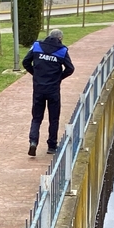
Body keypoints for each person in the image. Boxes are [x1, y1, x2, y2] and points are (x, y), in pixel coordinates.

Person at [22, 28, 75, 156]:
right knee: (54, 118)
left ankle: (33, 142)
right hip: (53, 90)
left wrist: (36, 74)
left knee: (36, 118)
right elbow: (70, 68)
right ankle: (51, 146)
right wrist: (58, 78)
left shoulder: (36, 46)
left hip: (39, 89)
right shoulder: (62, 51)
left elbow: (25, 62)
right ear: (60, 39)